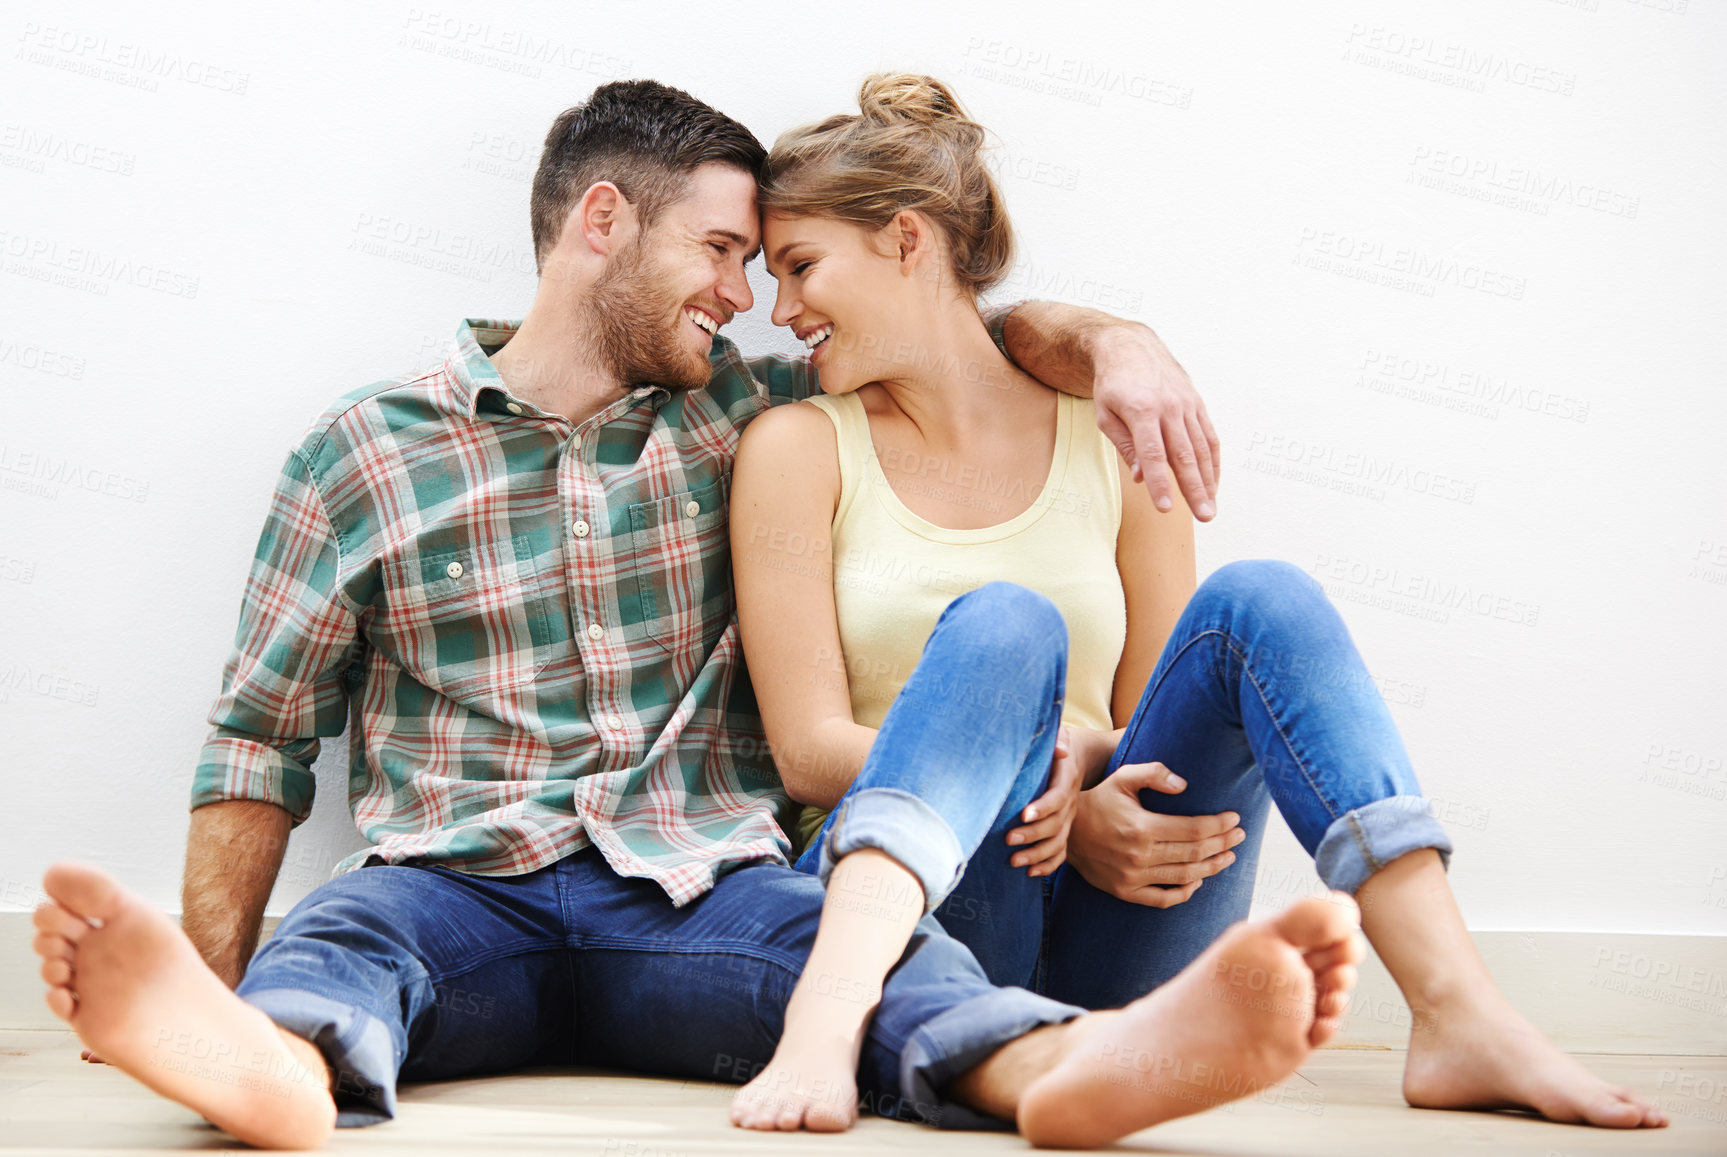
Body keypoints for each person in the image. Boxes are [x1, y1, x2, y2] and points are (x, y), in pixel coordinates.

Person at [28, 78, 1369, 1150]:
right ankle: (263, 1066)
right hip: (450, 881)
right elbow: (260, 737)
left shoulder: (753, 409)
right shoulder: (363, 452)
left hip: (695, 889)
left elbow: (948, 324)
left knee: (883, 957)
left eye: (760, 262)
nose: (747, 295)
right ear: (602, 222)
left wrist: (1120, 341)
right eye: (723, 251)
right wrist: (206, 965)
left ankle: (1063, 1067)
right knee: (340, 946)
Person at [725, 73, 1668, 1135]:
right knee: (1005, 622)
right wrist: (1059, 799)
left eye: (799, 266)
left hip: (1118, 917)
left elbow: (1143, 722)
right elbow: (807, 750)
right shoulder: (799, 446)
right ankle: (945, 1034)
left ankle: (1459, 1013)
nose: (779, 309)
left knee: (1261, 596)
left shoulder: (1110, 439)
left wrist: (1094, 773)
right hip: (919, 913)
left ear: (905, 240)